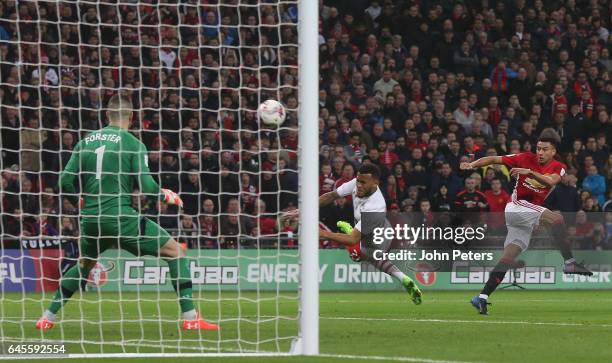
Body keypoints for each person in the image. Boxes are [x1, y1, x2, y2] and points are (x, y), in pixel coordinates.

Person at [36, 93, 218, 331]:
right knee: (175, 252)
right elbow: (147, 187)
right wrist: (166, 195)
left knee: (84, 265)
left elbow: (64, 181)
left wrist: (79, 202)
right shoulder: (133, 143)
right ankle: (191, 317)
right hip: (121, 218)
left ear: (106, 115)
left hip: (91, 220)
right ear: (131, 116)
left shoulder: (86, 141)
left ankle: (47, 318)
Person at [460, 128, 592, 315]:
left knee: (507, 258)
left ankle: (481, 297)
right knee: (555, 218)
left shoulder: (558, 167)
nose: (540, 152)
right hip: (516, 207)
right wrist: (472, 165)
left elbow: (549, 182)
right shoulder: (524, 157)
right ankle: (569, 262)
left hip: (525, 217)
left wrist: (529, 173)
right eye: (538, 148)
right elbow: (494, 159)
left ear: (553, 151)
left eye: (545, 149)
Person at [318, 164, 422, 304]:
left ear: (375, 183)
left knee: (357, 254)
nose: (358, 185)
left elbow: (352, 239)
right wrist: (301, 210)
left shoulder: (375, 206)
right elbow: (331, 196)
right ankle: (403, 278)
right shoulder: (356, 183)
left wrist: (321, 233)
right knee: (371, 256)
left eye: (363, 182)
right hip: (372, 226)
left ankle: (350, 230)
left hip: (380, 234)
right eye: (358, 180)